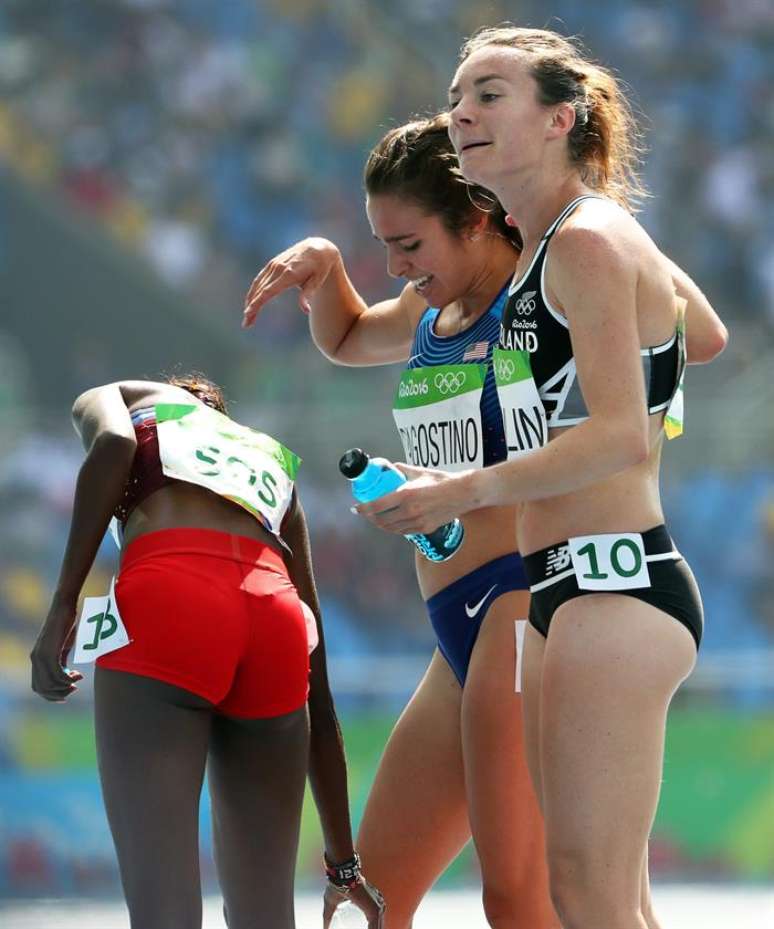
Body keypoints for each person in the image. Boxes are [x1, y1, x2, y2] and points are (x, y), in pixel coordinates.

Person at [243, 112, 723, 928]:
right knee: (366, 902)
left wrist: (595, 215)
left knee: (522, 900)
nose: (397, 266)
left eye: (410, 245)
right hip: (454, 633)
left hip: (520, 603)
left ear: (476, 216)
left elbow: (701, 333)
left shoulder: (545, 283)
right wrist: (325, 266)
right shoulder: (427, 309)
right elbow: (348, 335)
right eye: (383, 246)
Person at [30, 374, 384, 929]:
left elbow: (114, 444)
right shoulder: (269, 459)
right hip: (275, 615)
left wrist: (62, 605)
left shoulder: (130, 396)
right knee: (266, 917)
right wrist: (344, 865)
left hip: (172, 596)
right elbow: (319, 697)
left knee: (164, 914)